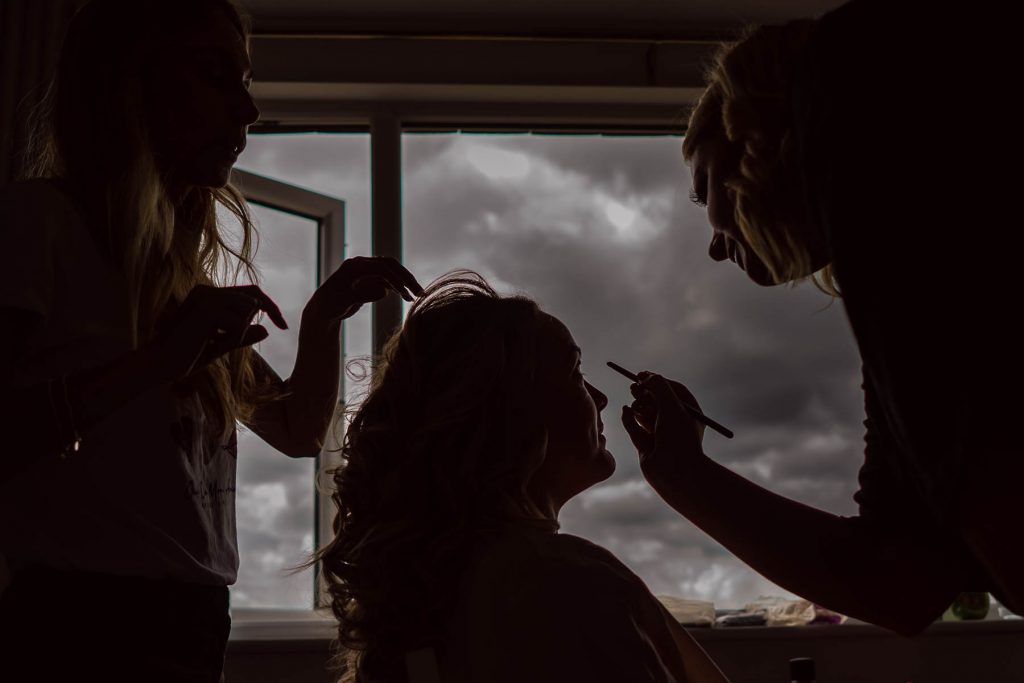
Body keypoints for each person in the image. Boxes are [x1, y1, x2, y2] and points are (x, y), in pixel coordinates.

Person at [0, 1, 422, 680]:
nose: (247, 112)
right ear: (127, 82)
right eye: (213, 74)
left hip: (191, 628)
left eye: (245, 80)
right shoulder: (38, 224)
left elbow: (294, 427)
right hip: (79, 630)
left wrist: (320, 321)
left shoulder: (171, 279)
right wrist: (156, 363)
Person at [626, 0, 1022, 637]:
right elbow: (901, 581)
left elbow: (898, 579)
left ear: (758, 141)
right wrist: (688, 477)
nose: (712, 241)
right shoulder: (908, 283)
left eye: (706, 191)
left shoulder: (916, 247)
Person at [315, 272, 729, 683]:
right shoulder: (566, 584)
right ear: (515, 414)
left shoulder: (425, 594)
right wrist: (688, 476)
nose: (601, 398)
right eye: (574, 372)